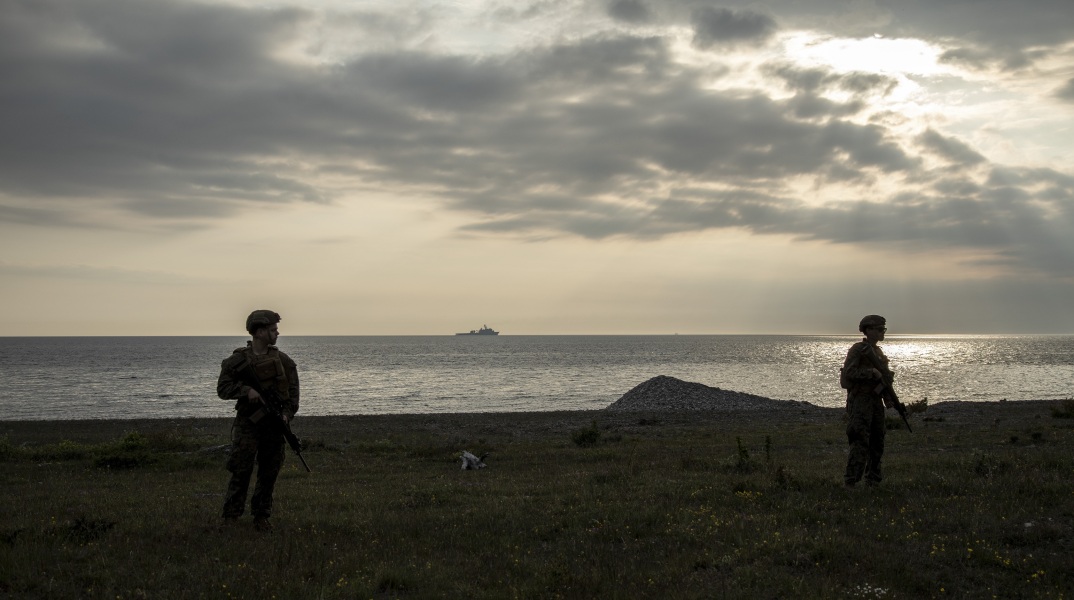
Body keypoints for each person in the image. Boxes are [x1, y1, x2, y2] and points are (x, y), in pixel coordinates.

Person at [217, 309, 300, 531]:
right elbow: (223, 389)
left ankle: (261, 516)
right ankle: (231, 517)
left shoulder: (284, 361)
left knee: (269, 471)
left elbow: (292, 396)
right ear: (260, 332)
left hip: (274, 425)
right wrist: (245, 390)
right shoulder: (237, 361)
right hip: (248, 424)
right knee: (241, 469)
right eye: (273, 329)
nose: (277, 333)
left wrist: (286, 414)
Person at [841, 314, 894, 487]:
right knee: (859, 439)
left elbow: (884, 381)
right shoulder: (858, 349)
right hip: (861, 400)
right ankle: (851, 481)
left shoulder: (878, 352)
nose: (882, 332)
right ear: (868, 330)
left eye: (883, 329)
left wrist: (888, 398)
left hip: (875, 401)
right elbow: (849, 373)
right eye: (879, 329)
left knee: (878, 440)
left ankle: (873, 479)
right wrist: (870, 372)